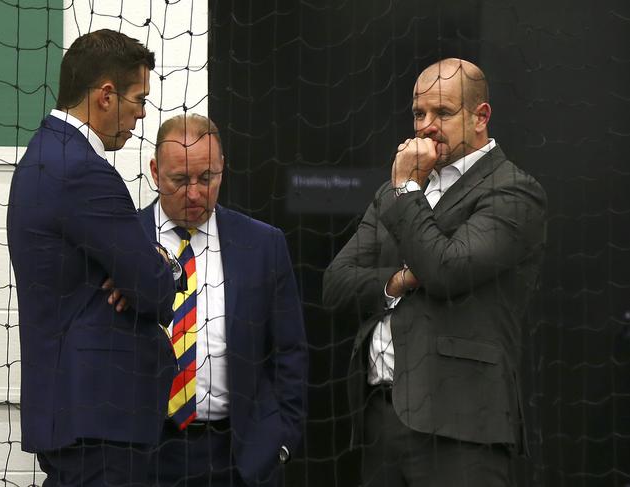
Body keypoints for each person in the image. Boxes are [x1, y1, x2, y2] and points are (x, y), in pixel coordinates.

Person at [322, 58, 547, 486]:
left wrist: (407, 189)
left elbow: (445, 270)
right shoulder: (397, 188)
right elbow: (335, 283)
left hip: (462, 428)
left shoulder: (513, 191)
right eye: (418, 113)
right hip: (381, 419)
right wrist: (399, 280)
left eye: (442, 113)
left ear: (481, 117)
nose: (425, 126)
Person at [7, 29, 182, 486]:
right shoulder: (82, 170)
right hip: (101, 420)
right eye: (138, 99)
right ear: (106, 95)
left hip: (80, 416)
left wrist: (146, 266)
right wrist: (156, 266)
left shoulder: (44, 156)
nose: (143, 114)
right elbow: (155, 288)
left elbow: (141, 274)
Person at [140, 113, 308, 487]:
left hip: (238, 456)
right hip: (144, 456)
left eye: (207, 177)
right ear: (154, 171)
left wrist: (281, 443)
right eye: (180, 180)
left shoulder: (262, 244)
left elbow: (289, 353)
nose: (196, 193)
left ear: (222, 168)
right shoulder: (124, 241)